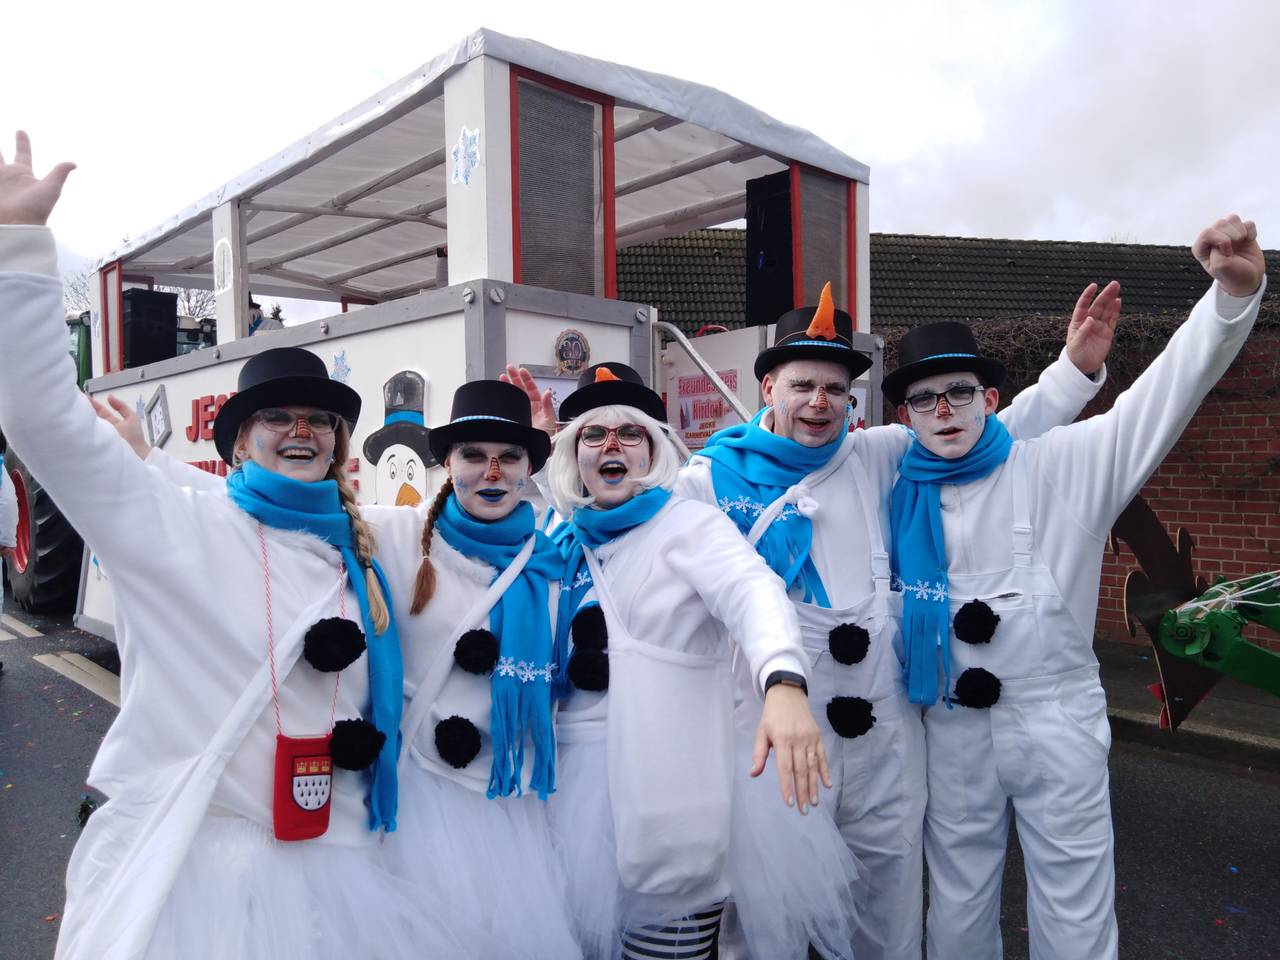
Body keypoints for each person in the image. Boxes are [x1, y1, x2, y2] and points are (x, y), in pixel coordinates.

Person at [0, 131, 470, 960]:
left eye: (319, 420)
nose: (300, 431)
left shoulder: (362, 545)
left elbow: (466, 524)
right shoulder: (174, 527)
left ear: (339, 446)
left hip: (345, 872)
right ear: (239, 444)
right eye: (275, 418)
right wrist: (17, 249)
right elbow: (40, 417)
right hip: (206, 887)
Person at [669, 281, 1114, 960]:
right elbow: (649, 549)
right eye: (802, 385)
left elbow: (984, 434)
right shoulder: (707, 480)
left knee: (889, 913)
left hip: (886, 740)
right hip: (785, 730)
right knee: (768, 917)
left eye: (835, 388)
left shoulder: (876, 454)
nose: (819, 401)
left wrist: (1072, 374)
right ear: (768, 388)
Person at [881, 215, 1265, 960]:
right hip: (950, 723)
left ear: (991, 398)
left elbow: (1163, 396)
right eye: (925, 400)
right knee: (956, 900)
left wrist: (1228, 302)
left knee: (1075, 907)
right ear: (904, 416)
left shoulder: (1064, 465)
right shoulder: (893, 487)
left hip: (1053, 722)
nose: (945, 411)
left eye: (960, 392)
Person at [543, 363, 824, 960]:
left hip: (669, 794)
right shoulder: (561, 536)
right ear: (574, 452)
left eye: (630, 433)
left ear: (653, 450)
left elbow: (752, 591)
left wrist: (782, 680)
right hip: (568, 802)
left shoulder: (688, 525)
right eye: (594, 435)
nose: (612, 446)